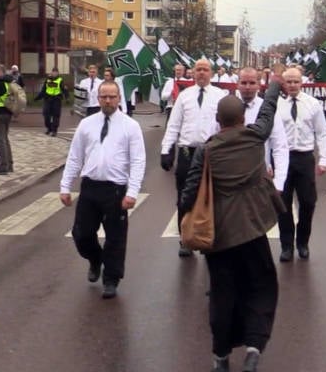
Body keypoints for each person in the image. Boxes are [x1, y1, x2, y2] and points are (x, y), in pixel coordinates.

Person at [179, 82, 285, 372]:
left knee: (222, 295)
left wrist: (184, 224)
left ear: (218, 120)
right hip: (253, 229)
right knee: (262, 287)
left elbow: (188, 193)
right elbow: (267, 113)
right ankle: (253, 347)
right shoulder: (255, 137)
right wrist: (274, 86)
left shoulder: (206, 151)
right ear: (242, 119)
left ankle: (221, 357)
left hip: (220, 236)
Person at [60, 81, 146, 299]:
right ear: (97, 98)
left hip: (115, 189)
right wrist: (65, 186)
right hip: (90, 187)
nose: (108, 101)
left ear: (119, 98)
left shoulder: (130, 126)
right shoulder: (86, 124)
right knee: (81, 234)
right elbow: (74, 156)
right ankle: (95, 259)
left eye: (112, 97)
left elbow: (138, 161)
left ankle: (111, 279)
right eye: (103, 97)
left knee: (115, 238)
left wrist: (132, 192)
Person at [160, 59, 227, 257]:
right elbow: (174, 124)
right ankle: (185, 239)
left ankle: (212, 236)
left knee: (213, 196)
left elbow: (225, 126)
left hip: (211, 153)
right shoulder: (184, 96)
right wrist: (166, 150)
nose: (201, 73)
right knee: (184, 196)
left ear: (211, 73)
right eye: (198, 70)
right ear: (193, 73)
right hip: (187, 152)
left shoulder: (220, 96)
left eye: (205, 70)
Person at [275, 67, 326, 262]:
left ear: (302, 83)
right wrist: (267, 162)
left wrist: (323, 159)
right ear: (283, 83)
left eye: (295, 81)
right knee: (283, 205)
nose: (292, 85)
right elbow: (269, 136)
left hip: (305, 158)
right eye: (288, 81)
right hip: (283, 158)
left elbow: (322, 133)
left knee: (308, 202)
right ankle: (287, 245)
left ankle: (303, 242)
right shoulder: (276, 104)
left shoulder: (312, 104)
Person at [224, 67, 289, 192]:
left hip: (259, 177)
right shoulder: (227, 107)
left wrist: (279, 182)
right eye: (244, 83)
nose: (248, 87)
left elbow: (280, 146)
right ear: (237, 84)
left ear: (259, 84)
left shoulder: (267, 110)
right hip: (230, 177)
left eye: (252, 83)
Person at [35, 67, 69, 136]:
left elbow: (64, 90)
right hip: (47, 99)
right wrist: (37, 98)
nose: (54, 73)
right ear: (51, 72)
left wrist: (67, 98)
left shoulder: (60, 80)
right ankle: (49, 128)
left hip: (56, 100)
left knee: (56, 116)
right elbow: (43, 90)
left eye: (56, 72)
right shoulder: (47, 80)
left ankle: (54, 131)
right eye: (53, 72)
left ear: (58, 73)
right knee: (46, 115)